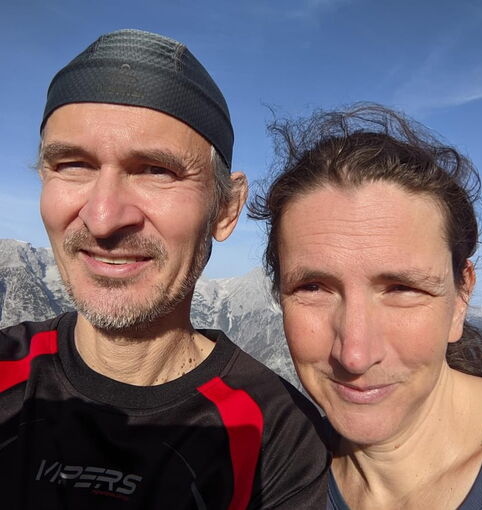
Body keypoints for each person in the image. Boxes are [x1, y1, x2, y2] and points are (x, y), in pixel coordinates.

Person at [0, 29, 329, 509]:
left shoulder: (276, 439)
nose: (103, 217)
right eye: (73, 164)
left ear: (226, 209)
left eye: (157, 170)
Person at [249, 104, 482, 509]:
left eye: (402, 289)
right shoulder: (269, 483)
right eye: (313, 287)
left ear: (461, 296)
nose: (354, 355)